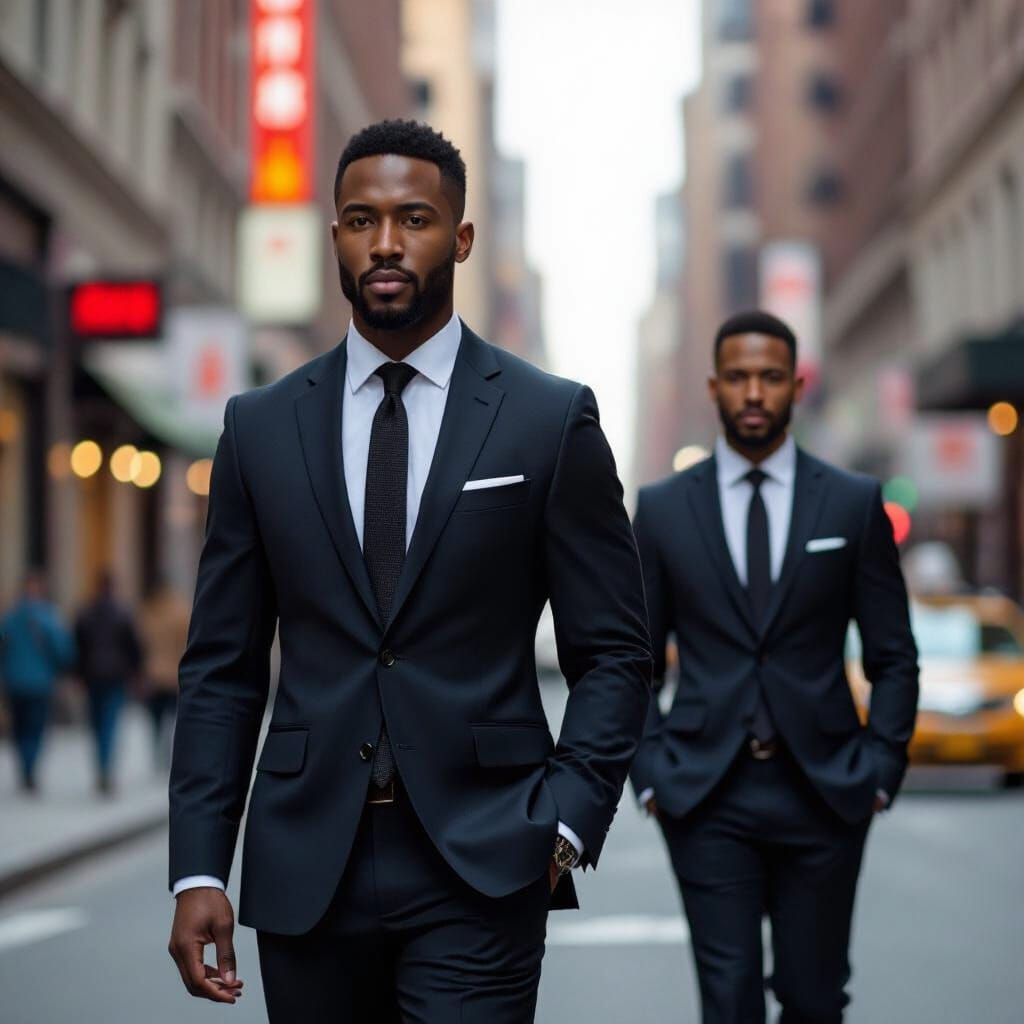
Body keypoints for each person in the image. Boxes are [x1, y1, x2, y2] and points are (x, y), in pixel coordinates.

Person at [167, 119, 652, 1022]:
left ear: (461, 237)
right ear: (335, 238)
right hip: (307, 859)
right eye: (360, 219)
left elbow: (616, 651)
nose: (385, 243)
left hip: (485, 857)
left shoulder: (548, 421)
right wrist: (200, 865)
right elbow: (223, 670)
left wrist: (568, 822)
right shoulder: (258, 428)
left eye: (414, 218)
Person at [630, 310, 919, 1023]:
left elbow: (893, 655)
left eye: (769, 377)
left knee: (815, 999)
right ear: (713, 387)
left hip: (824, 790)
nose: (753, 393)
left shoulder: (852, 504)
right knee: (727, 1001)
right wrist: (650, 772)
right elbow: (633, 659)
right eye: (737, 378)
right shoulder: (663, 511)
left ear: (796, 384)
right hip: (704, 795)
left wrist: (880, 770)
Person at [0, 570, 75, 792]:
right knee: (35, 728)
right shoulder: (48, 617)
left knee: (20, 727)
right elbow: (62, 649)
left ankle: (26, 766)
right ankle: (30, 768)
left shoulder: (11, 617)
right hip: (40, 683)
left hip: (15, 682)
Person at [74, 570, 143, 795]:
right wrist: (135, 673)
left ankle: (102, 767)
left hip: (93, 676)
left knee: (97, 725)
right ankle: (105, 768)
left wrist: (78, 675)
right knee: (109, 724)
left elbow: (78, 647)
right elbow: (134, 648)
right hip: (115, 676)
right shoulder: (122, 613)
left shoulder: (85, 612)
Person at [138, 582, 190, 769]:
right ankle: (166, 751)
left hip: (152, 675)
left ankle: (158, 749)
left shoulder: (147, 613)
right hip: (173, 674)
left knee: (156, 717)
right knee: (172, 717)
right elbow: (186, 644)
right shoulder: (180, 612)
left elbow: (140, 645)